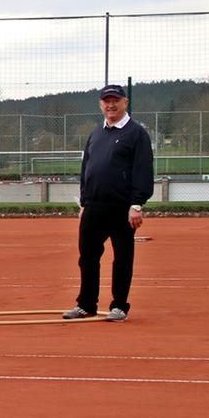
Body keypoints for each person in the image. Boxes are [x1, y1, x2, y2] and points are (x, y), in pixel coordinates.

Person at [63, 83, 153, 322]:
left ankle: (119, 306)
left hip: (122, 207)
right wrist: (84, 203)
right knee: (88, 257)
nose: (111, 105)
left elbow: (143, 170)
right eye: (106, 101)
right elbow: (86, 169)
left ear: (125, 102)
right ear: (100, 104)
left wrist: (137, 204)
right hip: (94, 206)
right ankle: (86, 305)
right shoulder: (96, 133)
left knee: (122, 257)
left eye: (116, 100)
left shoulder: (136, 133)